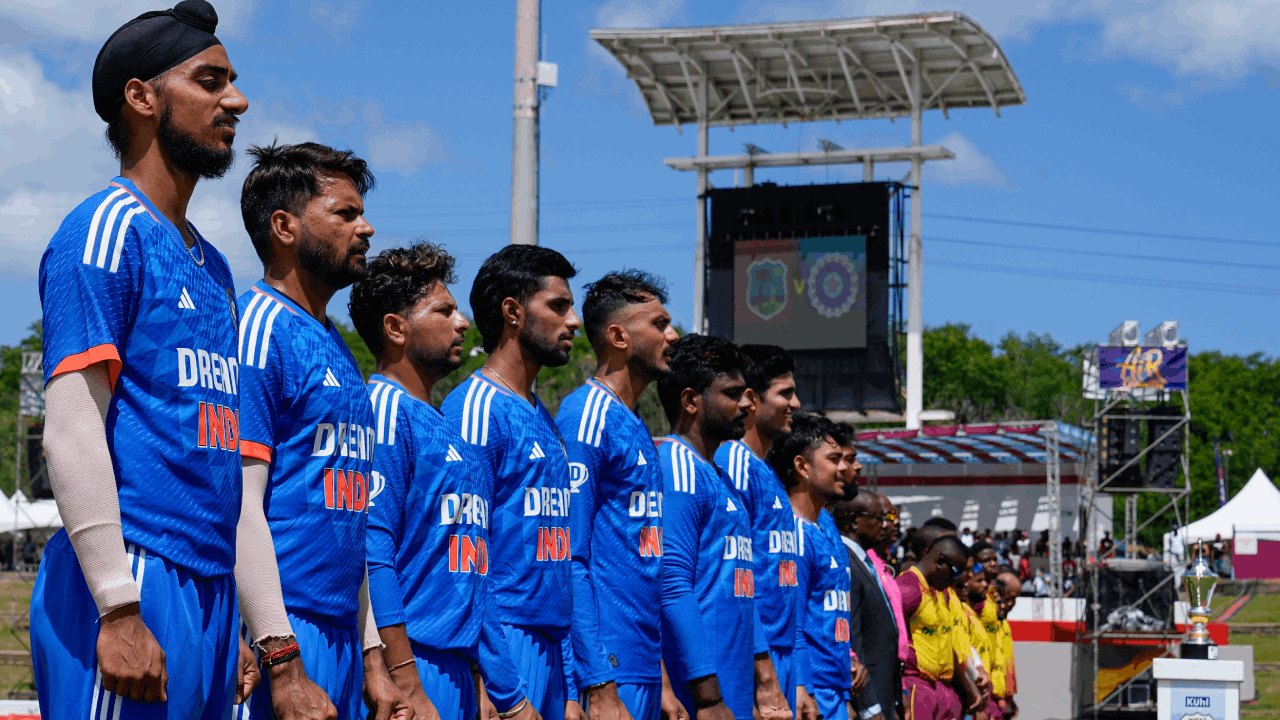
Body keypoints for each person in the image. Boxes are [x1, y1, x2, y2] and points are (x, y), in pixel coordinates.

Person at [31, 3, 256, 716]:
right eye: (211, 80)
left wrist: (240, 621)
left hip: (209, 588)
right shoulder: (105, 229)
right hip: (132, 576)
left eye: (233, 80)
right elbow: (69, 428)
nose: (237, 100)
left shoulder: (214, 266)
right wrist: (118, 607)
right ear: (142, 97)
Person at [234, 141, 407, 719]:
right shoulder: (258, 327)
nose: (366, 228)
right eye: (345, 213)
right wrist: (276, 651)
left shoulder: (336, 345)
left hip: (340, 638)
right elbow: (240, 505)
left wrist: (373, 655)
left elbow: (352, 519)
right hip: (279, 635)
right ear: (284, 226)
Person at [350, 242, 501, 720]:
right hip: (413, 661)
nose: (463, 323)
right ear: (396, 328)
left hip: (456, 667)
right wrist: (405, 677)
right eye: (444, 311)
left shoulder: (439, 420)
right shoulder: (385, 410)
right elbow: (374, 551)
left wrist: (479, 676)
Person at [442, 244, 580, 720]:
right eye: (559, 306)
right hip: (503, 651)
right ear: (513, 312)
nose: (574, 321)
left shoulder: (545, 417)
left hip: (552, 654)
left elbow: (559, 565)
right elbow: (463, 559)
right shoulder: (476, 408)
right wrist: (493, 682)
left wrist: (574, 688)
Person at [554, 270, 682, 720]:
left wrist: (661, 677)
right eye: (660, 324)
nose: (673, 335)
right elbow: (568, 556)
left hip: (642, 667)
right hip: (605, 671)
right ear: (618, 335)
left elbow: (644, 566)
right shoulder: (587, 415)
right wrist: (595, 682)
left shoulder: (637, 425)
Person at [655, 334, 758, 720]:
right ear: (690, 401)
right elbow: (671, 582)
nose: (747, 402)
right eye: (732, 392)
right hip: (700, 697)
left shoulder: (719, 474)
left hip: (733, 688)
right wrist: (707, 696)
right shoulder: (676, 467)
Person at [713, 344, 801, 719]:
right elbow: (734, 575)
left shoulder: (763, 469)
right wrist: (762, 672)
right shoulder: (733, 460)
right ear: (752, 398)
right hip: (751, 655)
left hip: (779, 653)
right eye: (785, 393)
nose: (795, 403)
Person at [772, 415, 859, 720]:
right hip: (810, 694)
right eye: (834, 459)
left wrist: (844, 692)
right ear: (802, 467)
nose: (844, 468)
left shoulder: (821, 529)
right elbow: (792, 623)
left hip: (832, 691)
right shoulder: (794, 534)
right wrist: (802, 686)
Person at [831, 488, 901, 720]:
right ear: (854, 521)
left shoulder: (864, 561)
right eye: (879, 518)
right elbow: (852, 638)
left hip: (885, 698)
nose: (885, 525)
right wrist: (869, 706)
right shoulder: (846, 562)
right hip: (869, 701)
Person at [896, 535, 971, 720]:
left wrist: (968, 690)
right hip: (917, 686)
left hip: (942, 688)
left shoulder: (939, 593)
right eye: (954, 572)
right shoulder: (908, 588)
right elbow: (888, 643)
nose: (955, 580)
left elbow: (946, 645)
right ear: (939, 562)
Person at [993, 573, 1021, 720]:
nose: (1009, 604)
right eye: (1007, 598)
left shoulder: (1004, 624)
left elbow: (1005, 666)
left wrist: (1009, 698)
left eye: (1014, 599)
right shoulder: (988, 624)